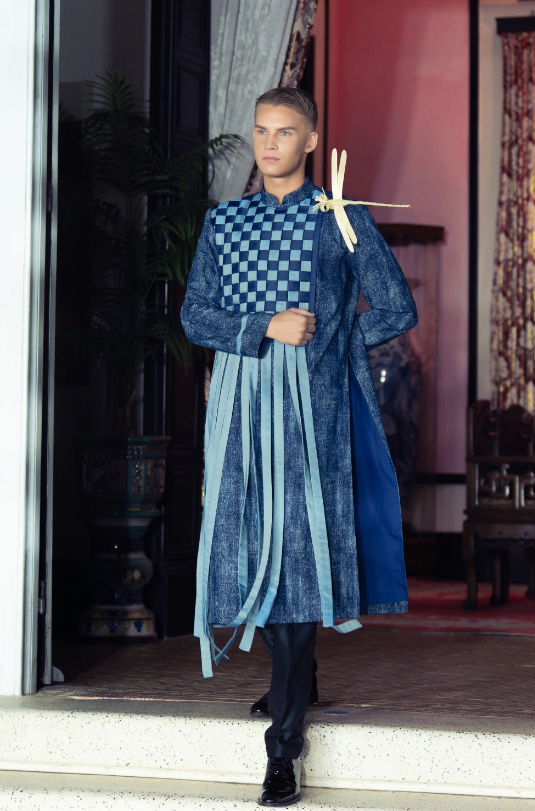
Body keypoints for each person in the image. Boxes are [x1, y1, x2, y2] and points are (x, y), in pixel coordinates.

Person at [181, 87, 417, 807]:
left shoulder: (339, 220)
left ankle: (283, 749)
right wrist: (264, 328)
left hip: (314, 420)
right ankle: (298, 677)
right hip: (240, 416)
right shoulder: (224, 223)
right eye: (260, 131)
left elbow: (395, 308)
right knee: (259, 549)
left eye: (285, 132)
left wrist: (327, 344)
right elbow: (195, 314)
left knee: (293, 556)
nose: (269, 143)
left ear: (311, 142)